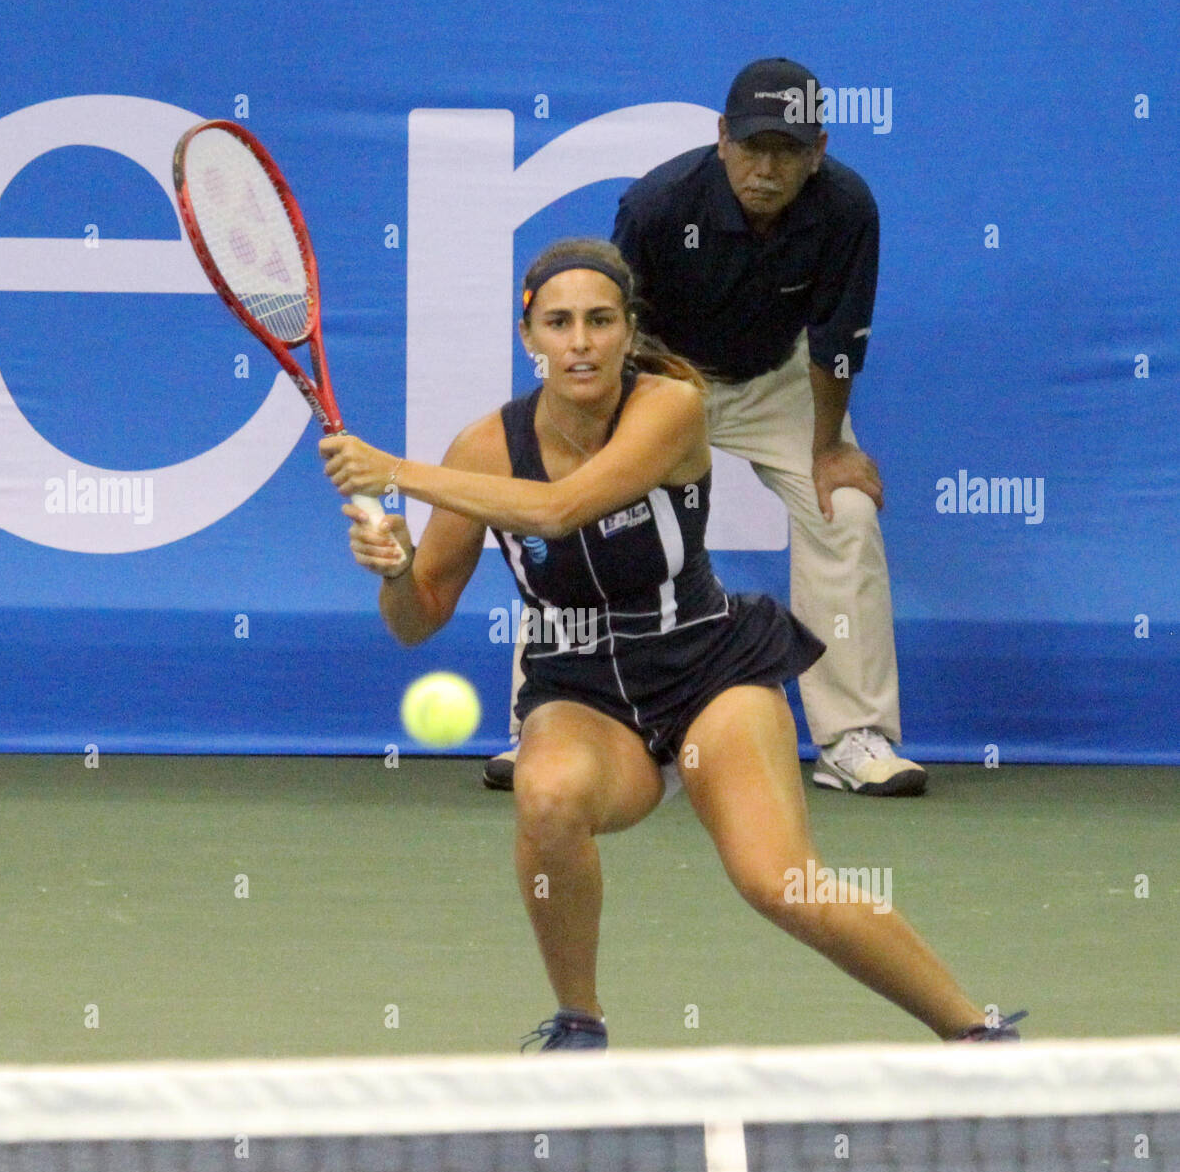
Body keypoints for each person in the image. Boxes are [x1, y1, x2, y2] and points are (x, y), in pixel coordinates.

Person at [322, 238, 1022, 1050]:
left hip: (706, 672)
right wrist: (397, 569)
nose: (579, 341)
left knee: (778, 882)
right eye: (558, 323)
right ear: (529, 337)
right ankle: (579, 1025)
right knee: (546, 800)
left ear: (627, 331)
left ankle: (974, 1033)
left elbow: (561, 510)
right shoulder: (484, 450)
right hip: (580, 692)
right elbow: (416, 621)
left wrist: (394, 471)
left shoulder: (668, 408)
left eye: (598, 320)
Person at [484, 58, 926, 798]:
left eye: (787, 151)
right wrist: (614, 433)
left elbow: (837, 340)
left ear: (816, 152)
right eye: (752, 146)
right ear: (721, 138)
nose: (765, 167)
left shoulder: (847, 207)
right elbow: (621, 325)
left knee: (843, 511)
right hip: (659, 375)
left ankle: (852, 737)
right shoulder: (658, 204)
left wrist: (826, 452)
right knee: (581, 513)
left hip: (777, 379)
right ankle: (543, 723)